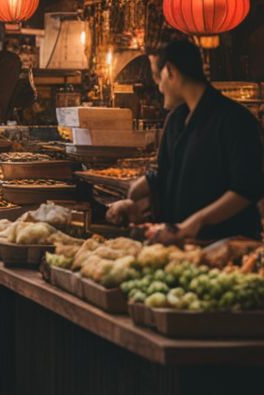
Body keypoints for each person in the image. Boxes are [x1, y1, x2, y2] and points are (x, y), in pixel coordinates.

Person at [106, 40, 264, 243]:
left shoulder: (234, 119)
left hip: (225, 247)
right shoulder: (176, 120)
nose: (159, 87)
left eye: (157, 76)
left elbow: (246, 189)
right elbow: (167, 176)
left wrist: (195, 223)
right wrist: (134, 203)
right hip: (177, 246)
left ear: (170, 71)